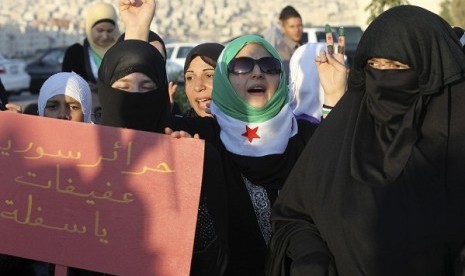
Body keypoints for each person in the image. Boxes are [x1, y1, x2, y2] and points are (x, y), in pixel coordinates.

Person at [266, 5, 465, 276]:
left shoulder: (454, 142)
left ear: (430, 72)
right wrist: (311, 257)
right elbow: (295, 215)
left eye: (397, 66)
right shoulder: (342, 134)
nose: (384, 77)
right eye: (374, 65)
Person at [98, 37, 229, 275]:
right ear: (107, 90)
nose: (134, 97)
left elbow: (214, 254)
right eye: (123, 88)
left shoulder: (183, 147)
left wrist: (193, 178)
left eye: (147, 88)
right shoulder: (83, 157)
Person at [62, 2, 119, 84]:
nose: (105, 36)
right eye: (100, 30)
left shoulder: (124, 50)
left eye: (110, 31)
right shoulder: (75, 53)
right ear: (89, 28)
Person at [182, 42, 224, 117]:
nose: (198, 87)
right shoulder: (177, 126)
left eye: (209, 75)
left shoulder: (249, 125)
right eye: (190, 78)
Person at [276, 5, 303, 79]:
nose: (297, 30)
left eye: (299, 25)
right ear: (283, 27)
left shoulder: (303, 47)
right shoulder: (281, 52)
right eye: (292, 26)